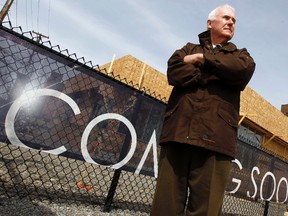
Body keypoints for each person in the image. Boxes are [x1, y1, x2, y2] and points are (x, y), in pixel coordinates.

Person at [151, 4, 255, 216]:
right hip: (178, 132)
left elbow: (241, 71)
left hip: (216, 139)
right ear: (210, 23)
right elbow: (175, 71)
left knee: (205, 209)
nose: (231, 23)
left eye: (234, 21)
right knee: (165, 206)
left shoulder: (240, 55)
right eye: (226, 18)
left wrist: (201, 61)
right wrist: (215, 71)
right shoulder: (187, 49)